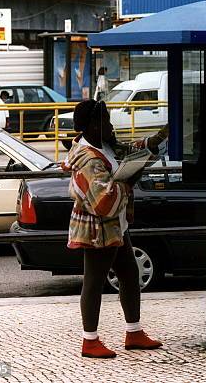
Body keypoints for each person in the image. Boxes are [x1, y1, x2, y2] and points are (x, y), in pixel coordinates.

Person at [62, 99, 163, 359]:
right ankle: (90, 340)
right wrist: (130, 180)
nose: (110, 125)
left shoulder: (103, 144)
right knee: (94, 280)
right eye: (106, 121)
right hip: (97, 227)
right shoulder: (87, 158)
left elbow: (128, 151)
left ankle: (133, 332)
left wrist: (155, 141)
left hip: (116, 225)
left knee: (129, 273)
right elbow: (103, 201)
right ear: (93, 126)